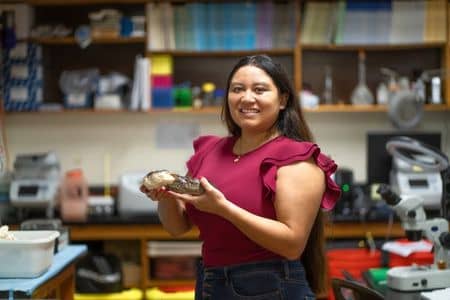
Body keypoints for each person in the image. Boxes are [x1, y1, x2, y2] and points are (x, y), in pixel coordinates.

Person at [141, 54, 341, 299]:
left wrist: (224, 209)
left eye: (260, 89)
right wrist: (166, 196)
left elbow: (292, 244)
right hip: (210, 284)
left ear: (282, 100)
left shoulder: (297, 158)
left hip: (272, 287)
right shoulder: (209, 151)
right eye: (237, 89)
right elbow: (177, 227)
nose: (247, 98)